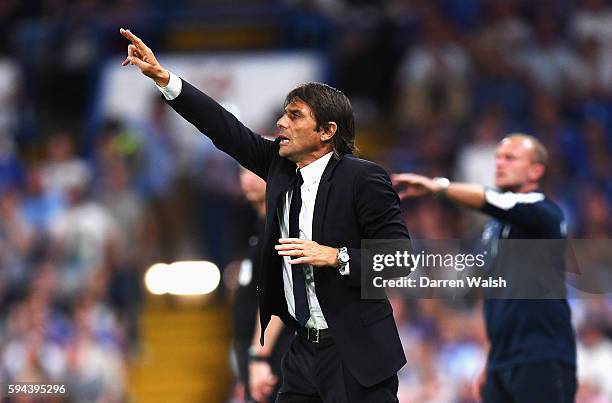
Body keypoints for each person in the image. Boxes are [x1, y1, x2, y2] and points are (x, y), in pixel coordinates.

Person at [120, 28, 409, 402]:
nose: (281, 124)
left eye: (294, 116)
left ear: (327, 131)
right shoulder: (278, 165)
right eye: (283, 115)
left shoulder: (364, 178)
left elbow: (399, 258)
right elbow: (222, 128)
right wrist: (164, 79)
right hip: (301, 352)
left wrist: (335, 256)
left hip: (354, 352)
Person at [392, 134, 576, 403]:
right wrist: (492, 359)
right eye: (498, 157)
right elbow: (497, 299)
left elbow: (495, 201)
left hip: (542, 357)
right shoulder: (493, 228)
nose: (500, 163)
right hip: (503, 362)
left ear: (536, 170)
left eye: (510, 158)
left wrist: (437, 187)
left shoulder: (545, 213)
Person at [233, 167, 293, 402]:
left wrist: (259, 358)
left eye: (256, 170)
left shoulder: (281, 225)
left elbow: (280, 293)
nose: (247, 178)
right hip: (255, 361)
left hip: (274, 359)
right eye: (242, 171)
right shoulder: (259, 227)